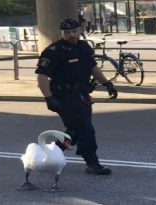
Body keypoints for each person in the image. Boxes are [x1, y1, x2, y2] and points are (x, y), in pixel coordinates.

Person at [35, 19, 118, 175]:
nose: (71, 35)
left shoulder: (83, 47)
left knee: (74, 131)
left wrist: (107, 83)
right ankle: (93, 164)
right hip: (64, 97)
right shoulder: (53, 51)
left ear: (80, 30)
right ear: (62, 33)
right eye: (67, 32)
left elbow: (92, 67)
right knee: (85, 130)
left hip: (82, 95)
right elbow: (42, 77)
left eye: (74, 31)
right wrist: (49, 98)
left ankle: (51, 154)